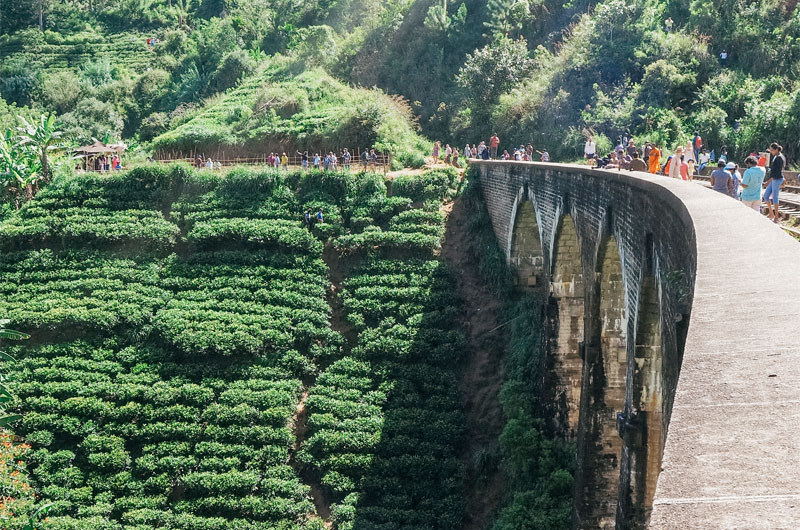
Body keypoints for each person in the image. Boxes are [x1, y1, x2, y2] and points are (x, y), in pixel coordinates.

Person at [763, 142, 786, 223]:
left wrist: (768, 181)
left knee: (775, 197)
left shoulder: (779, 158)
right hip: (774, 179)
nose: (771, 152)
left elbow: (777, 172)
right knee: (766, 196)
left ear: (776, 149)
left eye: (772, 150)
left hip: (776, 179)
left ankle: (776, 217)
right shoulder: (776, 156)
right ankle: (771, 213)